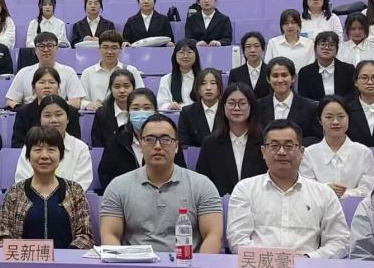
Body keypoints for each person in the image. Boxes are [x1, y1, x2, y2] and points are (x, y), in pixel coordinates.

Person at [100, 113, 223, 253]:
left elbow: (213, 236)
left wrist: (196, 267)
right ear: (140, 146)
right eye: (150, 139)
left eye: (165, 140)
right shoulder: (118, 186)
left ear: (176, 146)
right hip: (134, 263)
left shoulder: (202, 185)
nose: (157, 146)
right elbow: (110, 235)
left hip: (186, 263)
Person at [227, 120, 350, 258]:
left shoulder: (324, 194)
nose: (281, 152)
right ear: (263, 151)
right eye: (274, 146)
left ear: (302, 152)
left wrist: (308, 259)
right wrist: (271, 261)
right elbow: (237, 238)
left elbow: (339, 241)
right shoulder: (245, 189)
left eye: (289, 146)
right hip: (259, 267)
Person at [0, 127, 95, 249]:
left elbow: (85, 236)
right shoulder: (15, 192)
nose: (44, 156)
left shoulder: (75, 191)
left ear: (61, 155)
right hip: (23, 259)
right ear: (28, 156)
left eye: (51, 150)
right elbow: (2, 236)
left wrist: (67, 257)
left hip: (67, 260)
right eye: (37, 150)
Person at [96, 89, 186, 195]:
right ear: (128, 111)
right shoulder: (116, 140)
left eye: (147, 108)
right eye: (135, 108)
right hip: (125, 197)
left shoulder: (169, 139)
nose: (141, 112)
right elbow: (106, 175)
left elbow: (180, 172)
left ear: (155, 111)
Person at [300, 96, 374, 199]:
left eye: (341, 116)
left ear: (348, 118)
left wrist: (346, 194)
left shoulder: (364, 152)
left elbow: (368, 189)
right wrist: (326, 189)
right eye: (329, 117)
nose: (335, 122)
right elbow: (306, 187)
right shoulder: (308, 154)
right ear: (320, 120)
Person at [196, 83, 266, 196]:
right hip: (220, 203)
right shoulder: (210, 144)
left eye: (242, 103)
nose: (236, 108)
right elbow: (203, 182)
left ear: (251, 106)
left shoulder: (264, 141)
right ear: (223, 106)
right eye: (231, 103)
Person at [13, 95, 91, 188]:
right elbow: (22, 180)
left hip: (70, 197)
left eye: (59, 114)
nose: (53, 120)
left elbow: (80, 185)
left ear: (68, 119)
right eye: (47, 115)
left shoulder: (80, 148)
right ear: (40, 119)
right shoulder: (30, 146)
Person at [4, 32, 85, 108]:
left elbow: (76, 102)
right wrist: (28, 110)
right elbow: (10, 101)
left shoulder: (68, 72)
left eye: (50, 46)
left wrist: (52, 109)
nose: (46, 50)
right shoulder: (23, 73)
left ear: (57, 48)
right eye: (41, 46)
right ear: (35, 50)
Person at [254, 57, 322, 144]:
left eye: (284, 75)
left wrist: (292, 146)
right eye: (275, 76)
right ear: (268, 79)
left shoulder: (310, 107)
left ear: (293, 78)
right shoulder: (258, 106)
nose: (280, 80)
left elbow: (316, 138)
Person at [11, 68, 83, 148]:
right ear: (34, 87)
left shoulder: (71, 111)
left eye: (52, 82)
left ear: (58, 87)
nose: (47, 86)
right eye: (42, 82)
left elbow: (76, 142)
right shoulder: (23, 112)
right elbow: (17, 144)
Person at [80, 30, 145, 109]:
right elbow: (82, 100)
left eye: (114, 48)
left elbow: (141, 96)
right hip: (98, 114)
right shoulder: (88, 73)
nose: (109, 52)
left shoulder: (131, 71)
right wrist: (88, 104)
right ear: (99, 49)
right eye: (105, 47)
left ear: (120, 49)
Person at [297, 31, 356, 102]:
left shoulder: (348, 69)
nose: (326, 48)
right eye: (322, 44)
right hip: (315, 108)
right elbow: (303, 98)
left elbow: (353, 93)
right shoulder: (305, 72)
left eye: (331, 45)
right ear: (315, 48)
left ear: (337, 50)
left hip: (342, 107)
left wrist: (337, 104)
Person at [90, 69, 137, 149]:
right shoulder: (101, 113)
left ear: (133, 88)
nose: (122, 91)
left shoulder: (139, 112)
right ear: (111, 89)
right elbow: (97, 145)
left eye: (126, 86)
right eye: (117, 87)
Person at [178, 68, 225, 148]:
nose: (208, 88)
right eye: (203, 83)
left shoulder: (227, 110)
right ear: (198, 89)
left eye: (213, 83)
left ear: (220, 88)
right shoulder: (187, 112)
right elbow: (183, 144)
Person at [158, 40, 200, 111]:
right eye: (181, 52)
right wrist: (169, 106)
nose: (185, 56)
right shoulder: (166, 79)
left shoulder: (202, 78)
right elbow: (161, 104)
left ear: (196, 55)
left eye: (189, 52)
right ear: (175, 56)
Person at [228, 31, 270, 98]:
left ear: (263, 49)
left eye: (256, 46)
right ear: (243, 50)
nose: (252, 50)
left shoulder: (270, 71)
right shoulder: (235, 73)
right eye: (248, 46)